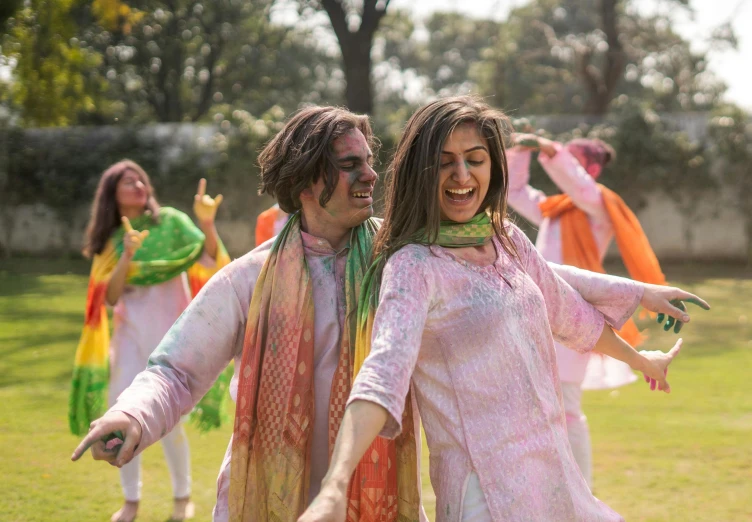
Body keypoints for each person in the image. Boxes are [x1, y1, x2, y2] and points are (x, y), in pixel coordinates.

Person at [72, 106, 704, 522]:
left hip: (376, 489)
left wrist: (635, 295)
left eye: (370, 161)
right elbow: (177, 368)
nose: (371, 175)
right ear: (304, 182)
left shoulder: (403, 252)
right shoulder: (253, 277)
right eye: (350, 166)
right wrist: (130, 415)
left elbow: (532, 278)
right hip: (273, 489)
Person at [299, 96, 709, 522]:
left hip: (553, 476)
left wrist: (642, 360)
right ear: (421, 171)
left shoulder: (506, 239)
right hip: (485, 494)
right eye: (445, 162)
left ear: (492, 166)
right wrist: (335, 486)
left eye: (475, 159)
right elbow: (383, 372)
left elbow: (571, 315)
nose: (462, 175)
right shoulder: (414, 265)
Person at [504, 133, 704, 489]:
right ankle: (543, 489)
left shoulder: (599, 205)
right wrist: (521, 151)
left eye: (574, 158)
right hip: (534, 314)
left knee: (566, 407)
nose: (563, 161)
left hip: (575, 316)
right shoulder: (555, 208)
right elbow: (514, 191)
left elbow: (580, 187)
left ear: (592, 169)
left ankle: (582, 492)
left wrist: (551, 151)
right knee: (530, 405)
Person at [69, 160, 230, 522]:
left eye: (141, 178)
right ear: (113, 193)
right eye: (128, 181)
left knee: (170, 423)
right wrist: (126, 254)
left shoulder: (171, 221)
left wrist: (205, 222)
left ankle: (181, 498)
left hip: (172, 336)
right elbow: (110, 296)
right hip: (130, 338)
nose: (139, 184)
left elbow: (209, 256)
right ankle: (131, 502)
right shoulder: (111, 240)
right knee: (118, 416)